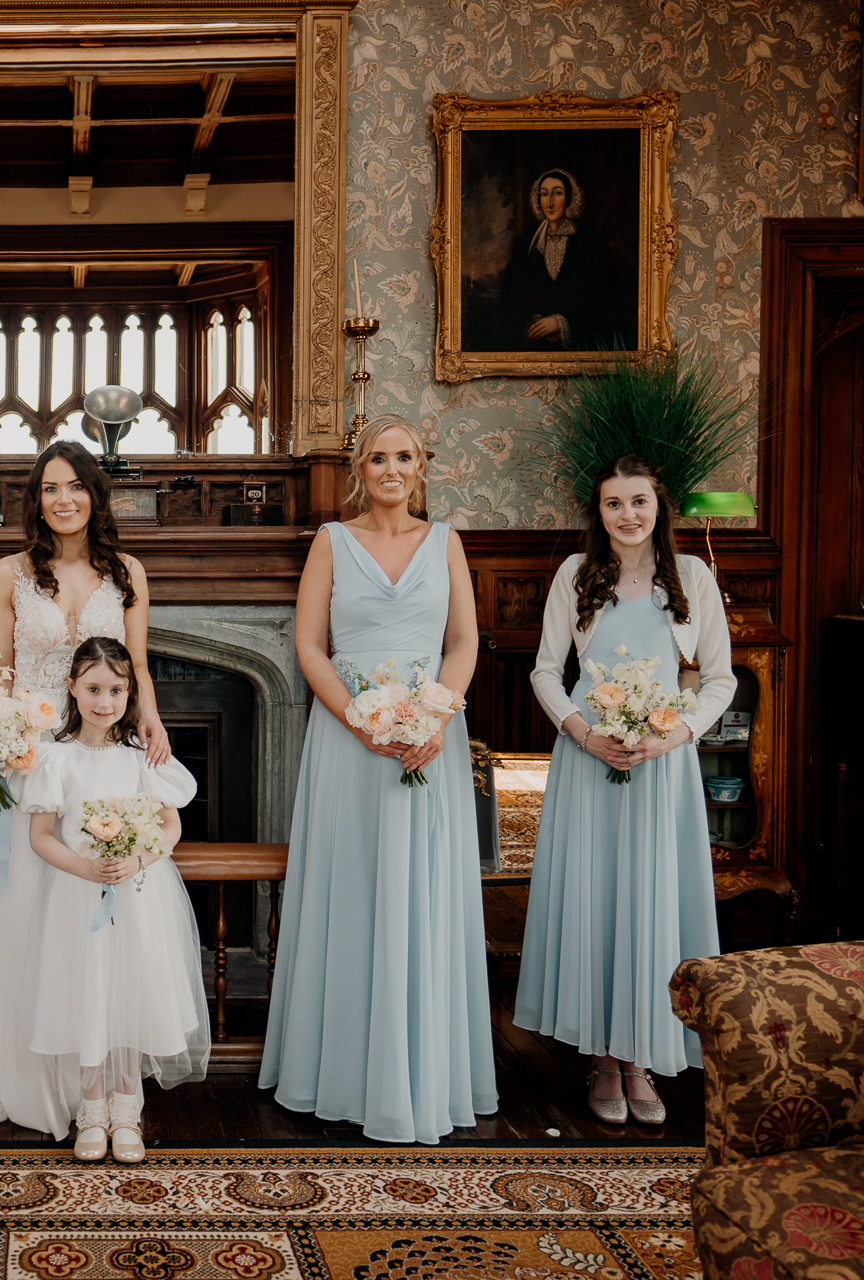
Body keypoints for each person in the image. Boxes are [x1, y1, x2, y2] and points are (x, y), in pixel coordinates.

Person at [258, 414, 497, 1144]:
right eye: (377, 458)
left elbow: (463, 642)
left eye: (404, 457)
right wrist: (360, 721)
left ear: (421, 467)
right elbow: (308, 643)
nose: (391, 468)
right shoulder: (331, 542)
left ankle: (422, 1072)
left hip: (430, 740)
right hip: (348, 743)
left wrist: (433, 718)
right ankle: (342, 1070)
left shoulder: (447, 542)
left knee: (421, 892)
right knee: (354, 888)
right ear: (360, 470)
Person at [0, 439, 171, 1138]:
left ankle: (100, 1081)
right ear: (36, 502)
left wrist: (150, 724)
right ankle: (37, 1072)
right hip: (30, 759)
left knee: (96, 906)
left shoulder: (126, 572)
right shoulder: (7, 573)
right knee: (31, 904)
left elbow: (140, 666)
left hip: (102, 759)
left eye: (74, 486)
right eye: (48, 489)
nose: (62, 498)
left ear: (95, 495)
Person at [515, 455, 735, 1125]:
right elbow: (546, 672)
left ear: (658, 507)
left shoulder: (693, 579)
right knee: (598, 902)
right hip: (590, 765)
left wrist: (672, 737)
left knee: (651, 905)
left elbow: (719, 679)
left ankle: (641, 1056)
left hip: (660, 770)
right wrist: (584, 733)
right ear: (600, 513)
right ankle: (603, 1058)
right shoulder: (576, 578)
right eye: (615, 504)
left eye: (640, 501)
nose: (629, 515)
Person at [0, 636, 207, 1159]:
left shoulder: (140, 756)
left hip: (138, 894)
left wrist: (139, 859)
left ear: (130, 692)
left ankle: (127, 1108)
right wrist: (88, 868)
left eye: (116, 690)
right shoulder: (55, 759)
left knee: (132, 990)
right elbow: (40, 837)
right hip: (78, 895)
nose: (105, 701)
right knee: (87, 990)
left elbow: (170, 825)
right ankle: (91, 1106)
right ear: (72, 687)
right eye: (93, 688)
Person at [500, 168, 624, 351]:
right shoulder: (525, 243)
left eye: (557, 193)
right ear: (538, 200)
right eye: (544, 194)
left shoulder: (592, 240)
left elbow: (607, 297)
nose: (549, 202)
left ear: (569, 198)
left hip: (582, 345)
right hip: (534, 347)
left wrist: (562, 323)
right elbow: (511, 296)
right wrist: (533, 324)